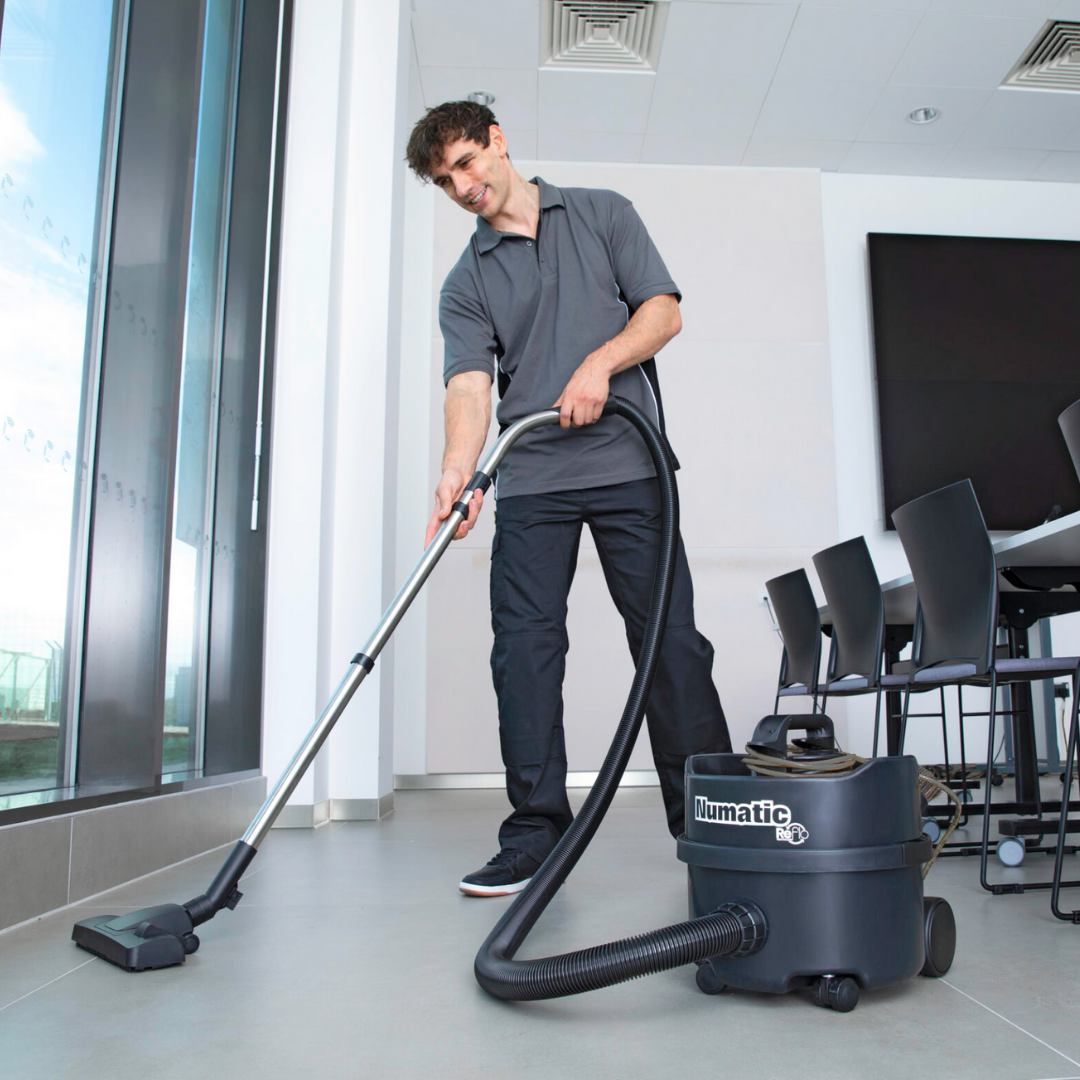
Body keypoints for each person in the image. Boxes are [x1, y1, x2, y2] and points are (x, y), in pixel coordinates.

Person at [405, 101, 731, 897]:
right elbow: (469, 387)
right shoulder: (467, 282)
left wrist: (599, 363)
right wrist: (457, 471)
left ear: (497, 141)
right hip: (533, 479)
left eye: (466, 163)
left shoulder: (602, 214)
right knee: (524, 652)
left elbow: (663, 312)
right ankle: (535, 834)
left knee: (671, 646)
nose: (462, 186)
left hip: (629, 465)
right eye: (445, 180)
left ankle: (715, 824)